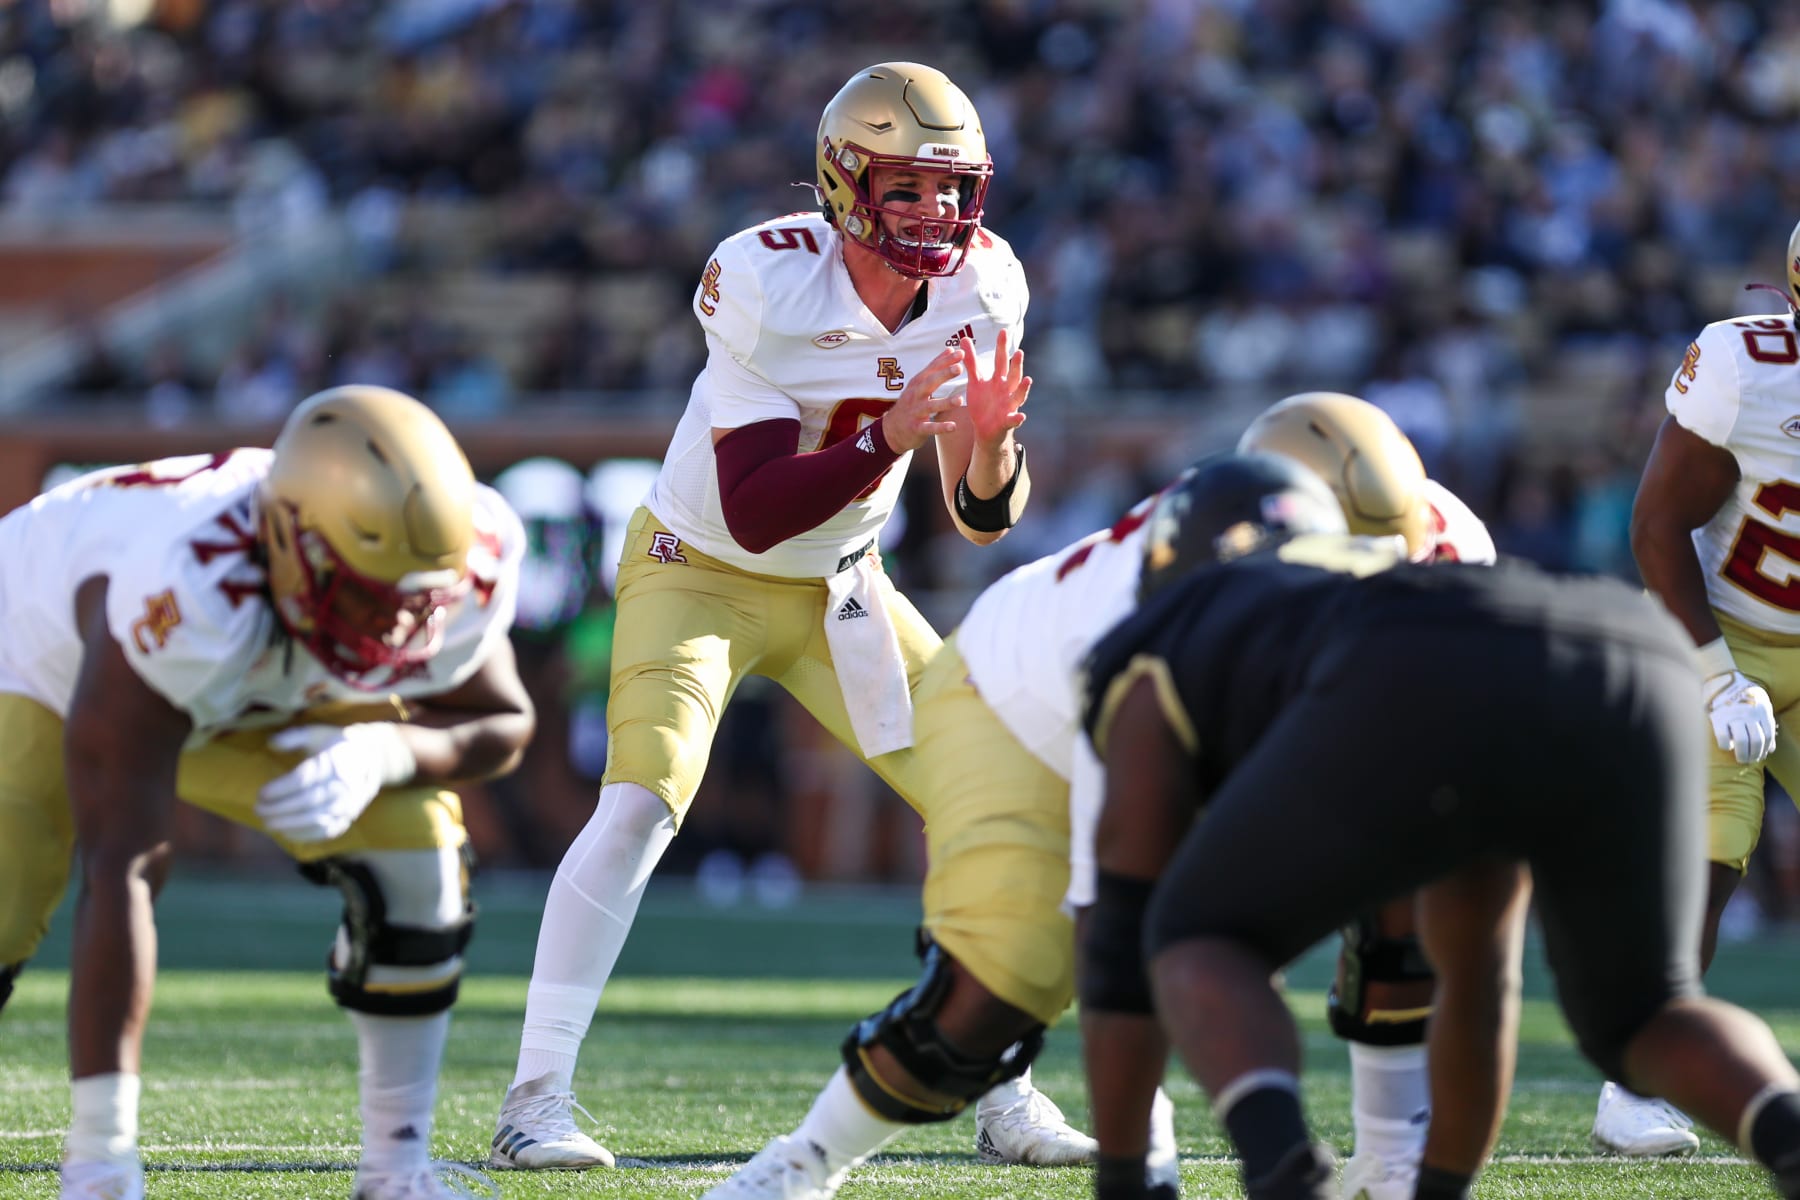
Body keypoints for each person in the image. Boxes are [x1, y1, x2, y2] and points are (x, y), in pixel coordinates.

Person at [489, 60, 1071, 1173]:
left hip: (845, 583)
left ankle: (1004, 1090)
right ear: (846, 183)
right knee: (638, 808)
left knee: (996, 799)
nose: (937, 213)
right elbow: (755, 513)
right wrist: (890, 434)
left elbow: (983, 516)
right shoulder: (764, 278)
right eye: (908, 187)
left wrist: (989, 441)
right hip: (697, 568)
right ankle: (533, 1101)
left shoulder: (985, 283)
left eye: (952, 188)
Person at [701, 394, 1482, 1200]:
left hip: (1239, 706)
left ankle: (1391, 1157)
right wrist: (1138, 1166)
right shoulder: (1157, 614)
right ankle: (803, 1164)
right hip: (1016, 704)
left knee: (1407, 882)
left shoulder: (1448, 551)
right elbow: (1117, 928)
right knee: (1006, 982)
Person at [1078, 453, 1800, 1200]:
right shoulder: (1377, 563)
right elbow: (1478, 978)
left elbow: (1124, 920)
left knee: (1197, 935)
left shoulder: (1167, 626)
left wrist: (1125, 1176)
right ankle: (1788, 1132)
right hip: (1629, 640)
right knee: (1641, 1008)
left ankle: (1280, 1166)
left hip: (1415, 662)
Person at [0, 385, 532, 1200]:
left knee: (419, 854)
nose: (392, 633)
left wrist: (385, 751)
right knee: (7, 891)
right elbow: (124, 867)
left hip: (242, 675)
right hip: (40, 659)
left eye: (411, 602)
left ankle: (396, 1169)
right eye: (364, 594)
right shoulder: (187, 586)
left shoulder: (459, 554)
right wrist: (101, 1159)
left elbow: (502, 720)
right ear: (287, 538)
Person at [1238, 393, 1495, 1200]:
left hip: (1399, 701)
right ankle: (1131, 1142)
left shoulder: (1455, 542)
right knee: (1177, 920)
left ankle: (1392, 1150)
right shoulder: (1227, 534)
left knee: (1409, 909)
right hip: (1256, 709)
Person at [1621, 217, 1800, 1156]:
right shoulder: (1747, 368)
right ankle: (1636, 1081)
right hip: (1723, 631)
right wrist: (1718, 677)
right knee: (1711, 858)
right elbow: (1655, 526)